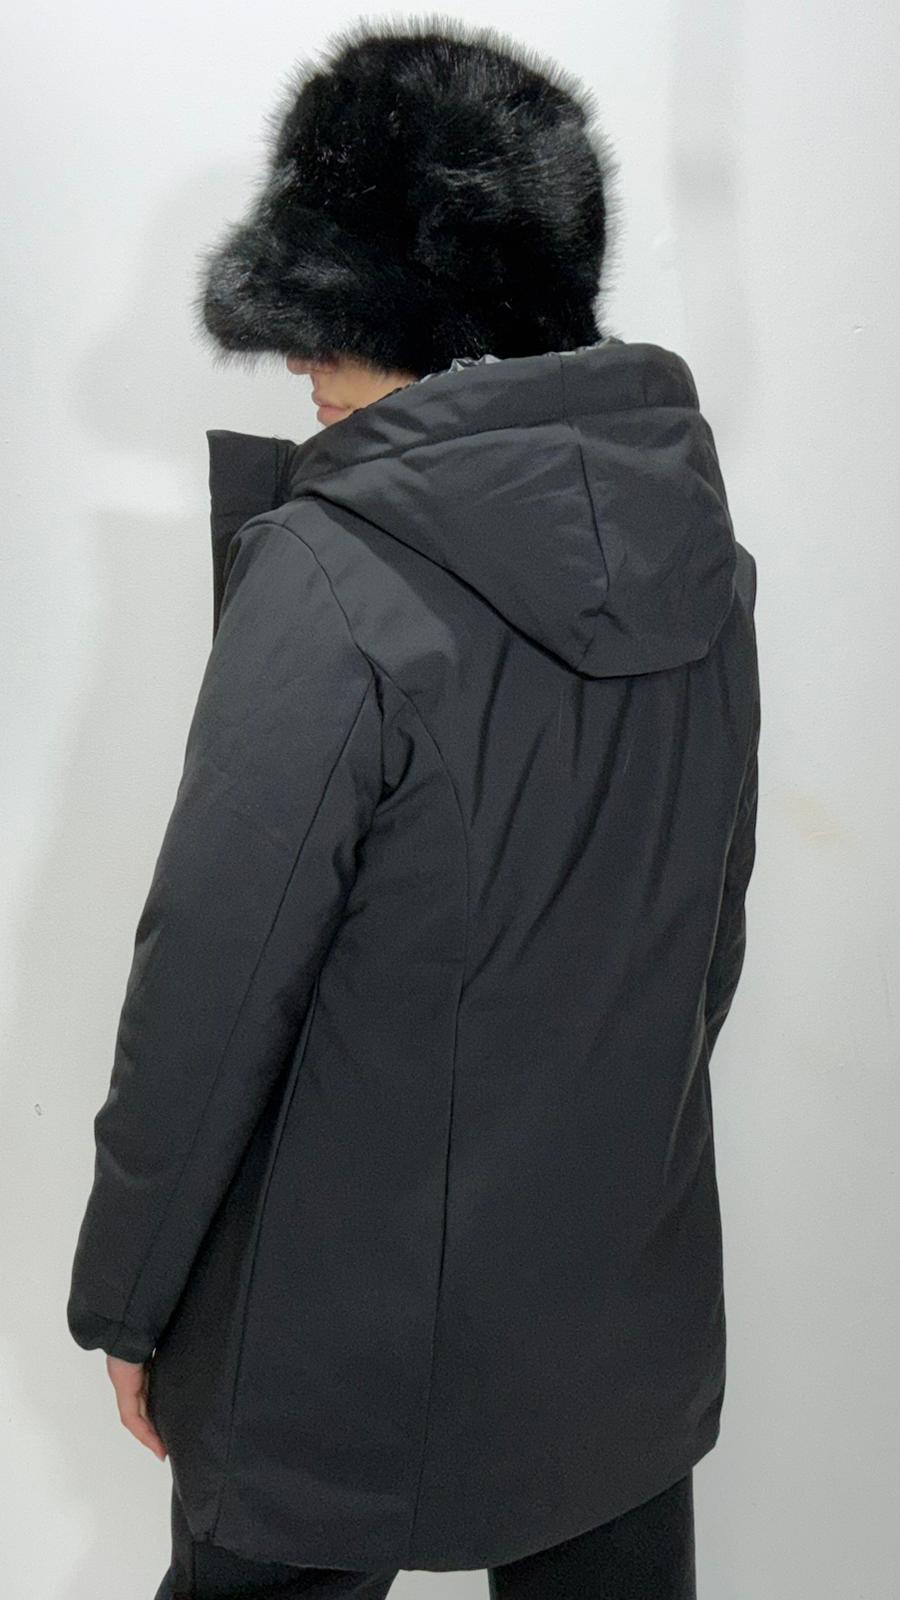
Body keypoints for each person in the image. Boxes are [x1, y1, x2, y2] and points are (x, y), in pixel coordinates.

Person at [66, 16, 760, 1600]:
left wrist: (129, 1299)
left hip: (337, 1343)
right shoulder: (704, 562)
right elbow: (698, 952)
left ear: (415, 306)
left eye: (322, 315)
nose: (296, 361)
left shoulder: (334, 575)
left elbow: (211, 986)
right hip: (615, 1312)